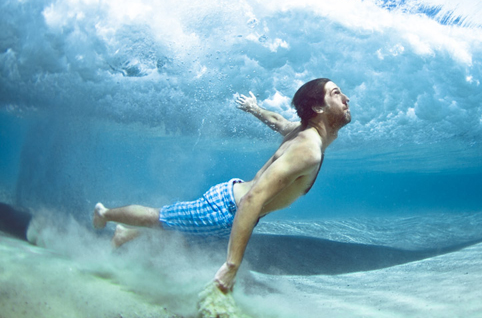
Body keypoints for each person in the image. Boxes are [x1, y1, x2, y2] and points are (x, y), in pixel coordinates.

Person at [92, 78, 351, 292]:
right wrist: (232, 266)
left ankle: (125, 234)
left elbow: (279, 122)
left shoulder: (302, 133)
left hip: (231, 207)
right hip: (224, 210)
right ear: (318, 108)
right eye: (336, 93)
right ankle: (104, 214)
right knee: (158, 218)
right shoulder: (308, 149)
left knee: (181, 237)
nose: (346, 98)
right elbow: (252, 200)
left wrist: (255, 108)